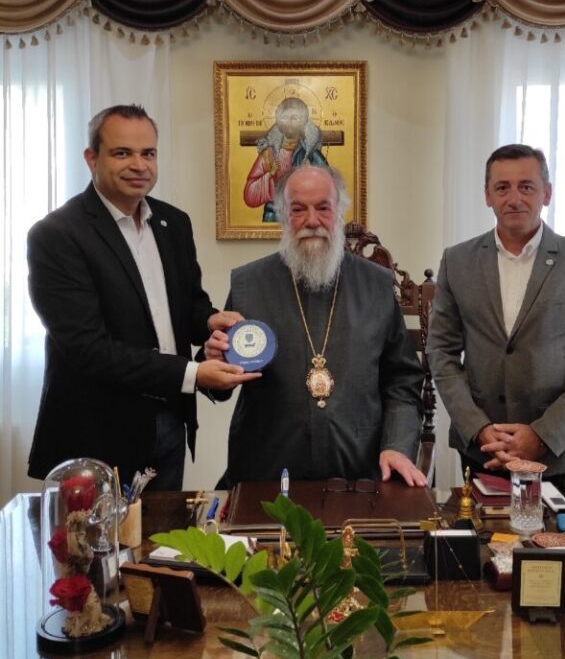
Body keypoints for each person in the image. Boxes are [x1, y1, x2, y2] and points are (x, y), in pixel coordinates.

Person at [27, 104, 258, 489]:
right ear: (91, 158)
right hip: (96, 435)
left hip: (170, 423)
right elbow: (88, 349)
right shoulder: (57, 235)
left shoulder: (173, 223)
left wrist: (209, 321)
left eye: (148, 153)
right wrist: (192, 373)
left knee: (164, 530)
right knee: (98, 532)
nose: (139, 165)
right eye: (123, 153)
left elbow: (188, 304)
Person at [206, 164, 427, 487]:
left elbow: (403, 380)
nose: (312, 220)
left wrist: (397, 445)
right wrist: (215, 363)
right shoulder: (249, 284)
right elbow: (220, 379)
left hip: (360, 471)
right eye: (298, 210)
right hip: (266, 471)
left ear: (339, 213)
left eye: (323, 208)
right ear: (283, 216)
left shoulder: (377, 285)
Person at [426, 143, 565, 492]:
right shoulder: (457, 262)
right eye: (502, 187)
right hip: (482, 453)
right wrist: (479, 428)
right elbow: (441, 352)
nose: (514, 198)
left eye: (526, 187)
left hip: (559, 459)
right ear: (487, 195)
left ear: (546, 193)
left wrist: (542, 435)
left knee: (562, 532)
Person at [243, 96, 328, 222]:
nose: (289, 122)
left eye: (295, 118)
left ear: (303, 121)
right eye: (285, 117)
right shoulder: (269, 154)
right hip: (273, 217)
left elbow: (330, 190)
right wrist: (270, 176)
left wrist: (311, 176)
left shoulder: (311, 155)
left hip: (303, 219)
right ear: (278, 121)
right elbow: (249, 195)